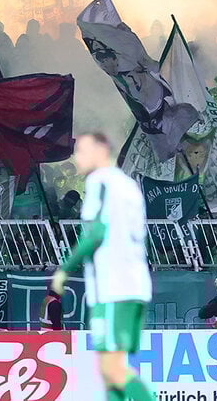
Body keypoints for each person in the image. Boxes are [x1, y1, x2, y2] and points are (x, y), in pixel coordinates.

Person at [51, 133, 155, 401]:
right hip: (129, 285)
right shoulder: (127, 185)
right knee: (111, 366)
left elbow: (97, 233)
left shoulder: (101, 183)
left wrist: (66, 267)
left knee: (111, 365)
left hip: (115, 288)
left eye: (83, 151)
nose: (78, 157)